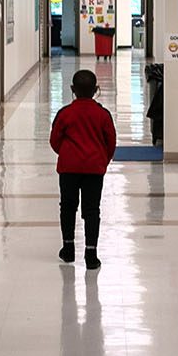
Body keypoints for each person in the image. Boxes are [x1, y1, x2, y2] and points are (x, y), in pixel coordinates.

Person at [49, 68, 116, 269]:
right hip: (94, 169)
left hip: (69, 168)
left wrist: (68, 154)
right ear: (96, 89)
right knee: (92, 210)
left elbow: (54, 140)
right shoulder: (103, 115)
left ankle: (68, 249)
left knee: (68, 207)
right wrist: (102, 160)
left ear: (72, 89)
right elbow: (111, 142)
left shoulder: (65, 113)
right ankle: (91, 254)